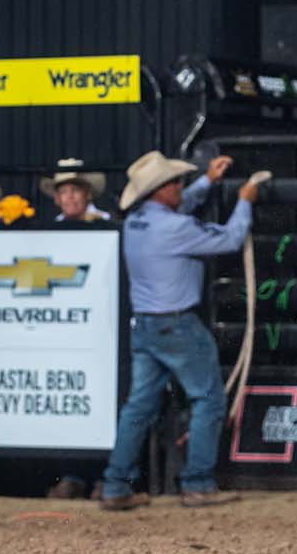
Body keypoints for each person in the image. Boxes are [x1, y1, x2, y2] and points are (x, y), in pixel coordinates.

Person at [100, 151, 262, 510]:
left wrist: (207, 182)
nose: (180, 187)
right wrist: (245, 203)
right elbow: (231, 239)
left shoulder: (136, 220)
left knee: (138, 407)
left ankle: (115, 485)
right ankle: (198, 483)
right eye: (175, 182)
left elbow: (180, 205)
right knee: (208, 399)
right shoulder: (176, 227)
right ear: (160, 189)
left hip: (145, 324)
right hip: (177, 324)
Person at [40, 159, 110, 223]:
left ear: (88, 194)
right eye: (63, 191)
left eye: (75, 190)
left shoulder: (106, 222)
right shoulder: (52, 227)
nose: (70, 196)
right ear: (57, 198)